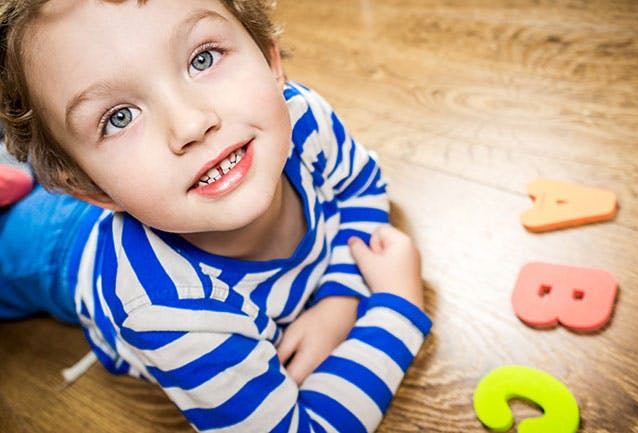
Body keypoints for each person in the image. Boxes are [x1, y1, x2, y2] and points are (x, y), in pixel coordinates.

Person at [0, 0, 431, 431]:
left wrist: (341, 300)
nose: (190, 124)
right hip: (57, 253)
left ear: (269, 59)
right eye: (119, 118)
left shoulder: (302, 117)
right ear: (89, 187)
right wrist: (396, 309)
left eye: (202, 58)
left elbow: (360, 186)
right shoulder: (161, 306)